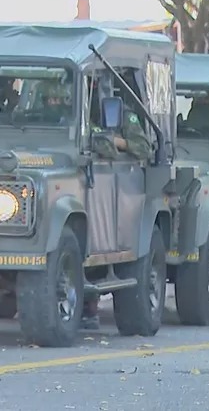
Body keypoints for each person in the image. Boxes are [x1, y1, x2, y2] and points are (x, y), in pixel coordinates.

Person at [81, 89, 154, 330]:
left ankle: (88, 308)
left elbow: (144, 148)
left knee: (96, 243)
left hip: (113, 186)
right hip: (85, 186)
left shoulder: (118, 114)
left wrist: (117, 142)